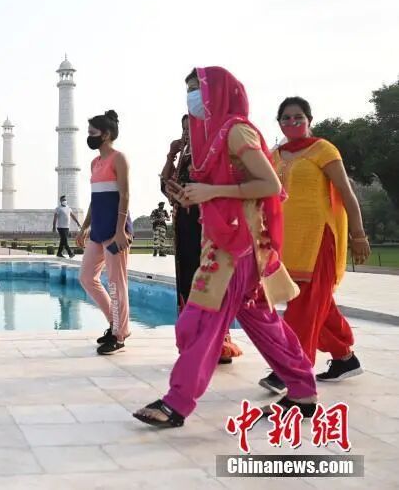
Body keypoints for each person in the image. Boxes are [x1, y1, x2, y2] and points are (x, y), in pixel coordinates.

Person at [133, 67, 317, 429]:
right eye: (188, 91)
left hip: (238, 245)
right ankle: (302, 391)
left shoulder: (237, 130)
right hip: (226, 240)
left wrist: (211, 191)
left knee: (202, 319)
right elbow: (224, 187)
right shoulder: (213, 136)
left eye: (196, 89)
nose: (192, 98)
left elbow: (269, 184)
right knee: (261, 321)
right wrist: (195, 196)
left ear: (217, 92)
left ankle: (176, 402)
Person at [257, 97, 370, 395]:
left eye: (298, 117)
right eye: (286, 118)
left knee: (304, 303)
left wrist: (358, 234)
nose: (292, 122)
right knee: (318, 302)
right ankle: (344, 357)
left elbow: (346, 192)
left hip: (319, 238)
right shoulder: (274, 156)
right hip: (287, 240)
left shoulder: (323, 149)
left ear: (309, 120)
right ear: (279, 123)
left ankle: (291, 369)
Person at [162, 115, 241, 365]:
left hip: (207, 225)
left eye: (191, 128)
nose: (187, 133)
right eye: (184, 129)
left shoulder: (211, 155)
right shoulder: (184, 156)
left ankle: (219, 343)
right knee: (188, 279)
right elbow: (165, 185)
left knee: (210, 280)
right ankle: (193, 342)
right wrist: (171, 155)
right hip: (184, 226)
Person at [76, 110, 133, 355]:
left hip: (115, 229)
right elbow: (95, 199)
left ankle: (119, 335)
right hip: (98, 229)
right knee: (87, 277)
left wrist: (120, 231)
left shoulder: (119, 158)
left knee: (116, 284)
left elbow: (125, 195)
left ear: (106, 134)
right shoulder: (95, 162)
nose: (89, 137)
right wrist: (84, 227)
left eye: (93, 132)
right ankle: (116, 323)